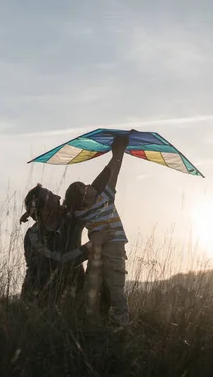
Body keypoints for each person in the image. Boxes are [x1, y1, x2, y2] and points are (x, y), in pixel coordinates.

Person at [63, 134, 130, 327]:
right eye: (83, 187)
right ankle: (93, 326)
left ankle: (121, 326)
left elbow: (112, 172)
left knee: (116, 288)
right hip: (96, 251)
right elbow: (62, 212)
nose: (88, 185)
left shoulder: (105, 196)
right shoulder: (79, 213)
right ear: (82, 199)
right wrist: (30, 213)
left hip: (114, 247)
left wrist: (119, 151)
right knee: (92, 289)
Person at [20, 184, 113, 308]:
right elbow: (57, 264)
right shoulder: (33, 236)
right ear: (44, 210)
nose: (59, 197)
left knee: (104, 285)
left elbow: (92, 190)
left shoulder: (69, 217)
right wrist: (91, 246)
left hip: (74, 292)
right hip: (42, 299)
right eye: (52, 197)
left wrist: (113, 166)